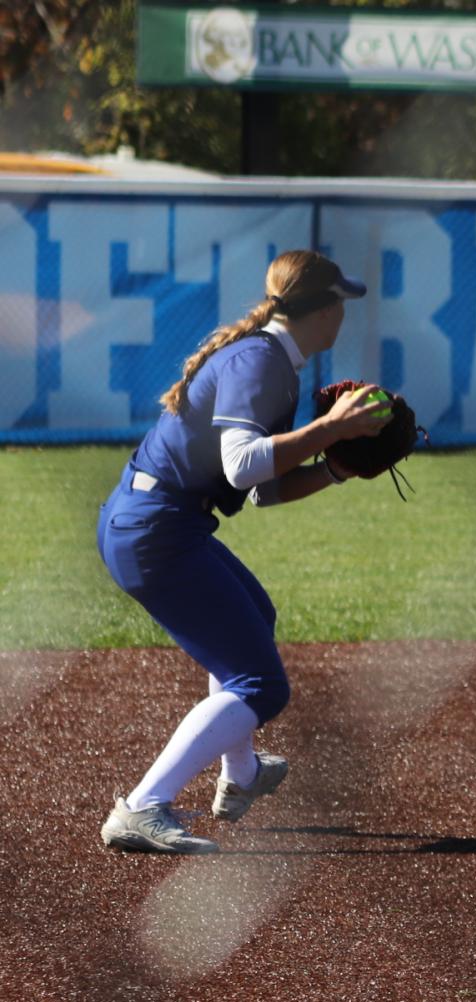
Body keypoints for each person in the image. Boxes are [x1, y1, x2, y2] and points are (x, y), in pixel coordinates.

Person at [97, 249, 394, 854]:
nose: (345, 313)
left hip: (156, 522)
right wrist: (330, 429)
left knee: (255, 618)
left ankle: (241, 776)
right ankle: (143, 806)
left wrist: (335, 469)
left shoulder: (273, 360)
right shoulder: (260, 359)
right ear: (325, 310)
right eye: (341, 301)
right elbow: (240, 467)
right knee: (261, 685)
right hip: (155, 530)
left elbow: (262, 490)